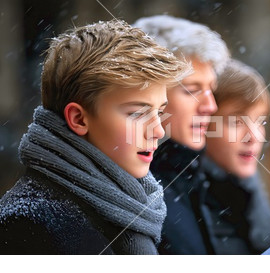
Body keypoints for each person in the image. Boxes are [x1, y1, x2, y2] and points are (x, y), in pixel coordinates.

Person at [0, 20, 190, 254]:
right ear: (79, 119)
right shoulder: (28, 226)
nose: (158, 131)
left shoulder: (138, 209)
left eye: (159, 112)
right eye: (138, 113)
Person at [133, 15, 230, 254]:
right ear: (152, 95)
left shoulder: (197, 177)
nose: (210, 106)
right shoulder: (135, 193)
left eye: (211, 90)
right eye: (193, 90)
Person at [201, 59, 270, 254]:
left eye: (260, 121)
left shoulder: (251, 194)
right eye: (236, 121)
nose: (253, 137)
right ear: (203, 124)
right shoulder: (185, 199)